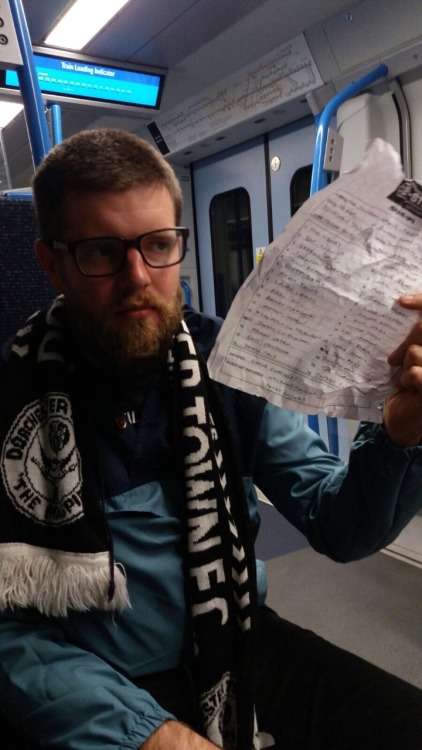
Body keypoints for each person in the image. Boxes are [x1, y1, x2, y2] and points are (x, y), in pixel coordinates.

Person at [0, 128, 421, 750]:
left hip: (236, 640)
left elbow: (341, 526)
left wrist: (398, 437)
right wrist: (149, 734)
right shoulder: (10, 398)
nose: (138, 276)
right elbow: (8, 636)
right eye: (101, 252)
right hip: (90, 680)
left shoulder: (227, 366)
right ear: (52, 263)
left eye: (158, 245)